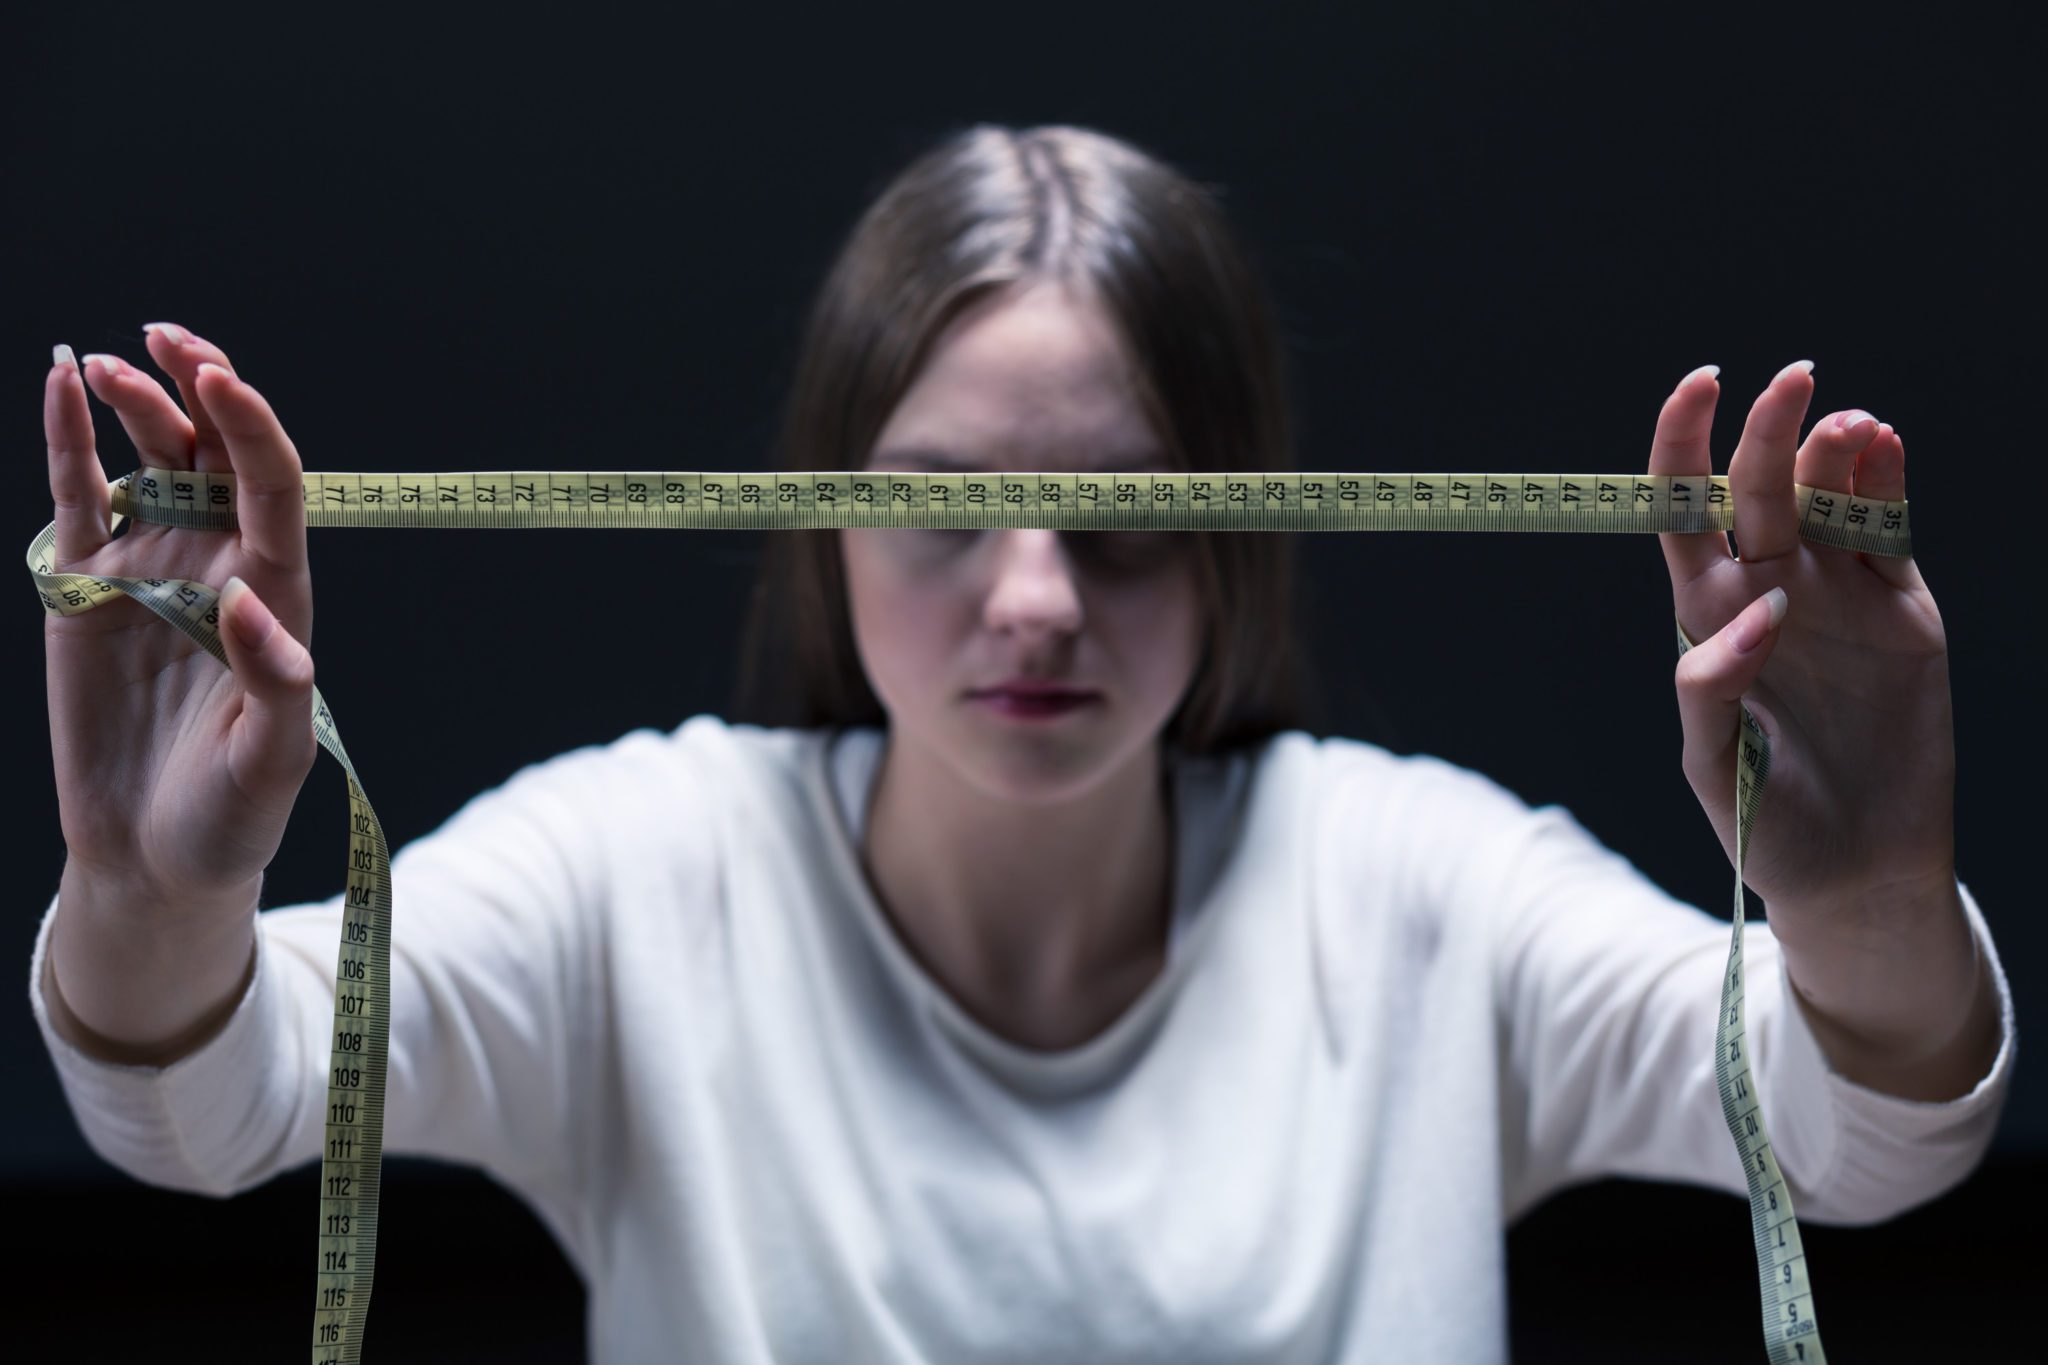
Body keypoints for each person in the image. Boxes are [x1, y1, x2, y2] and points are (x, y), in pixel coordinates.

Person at [31, 123, 2014, 1362]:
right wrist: (146, 887)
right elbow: (201, 1109)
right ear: (815, 519)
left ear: (1249, 523)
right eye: (944, 504)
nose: (1038, 592)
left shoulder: (1418, 893)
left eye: (1136, 505)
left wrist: (1857, 898)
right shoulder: (647, 875)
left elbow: (1861, 1137)